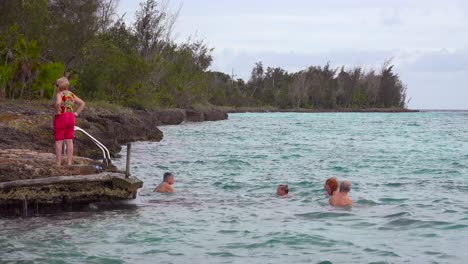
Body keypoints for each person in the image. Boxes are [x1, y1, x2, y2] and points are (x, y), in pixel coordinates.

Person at [53, 77, 85, 166]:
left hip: (62, 117)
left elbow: (59, 103)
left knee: (59, 141)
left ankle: (58, 163)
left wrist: (56, 108)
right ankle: (69, 162)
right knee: (69, 140)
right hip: (71, 116)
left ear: (59, 86)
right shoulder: (71, 94)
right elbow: (82, 103)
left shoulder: (60, 94)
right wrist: (76, 113)